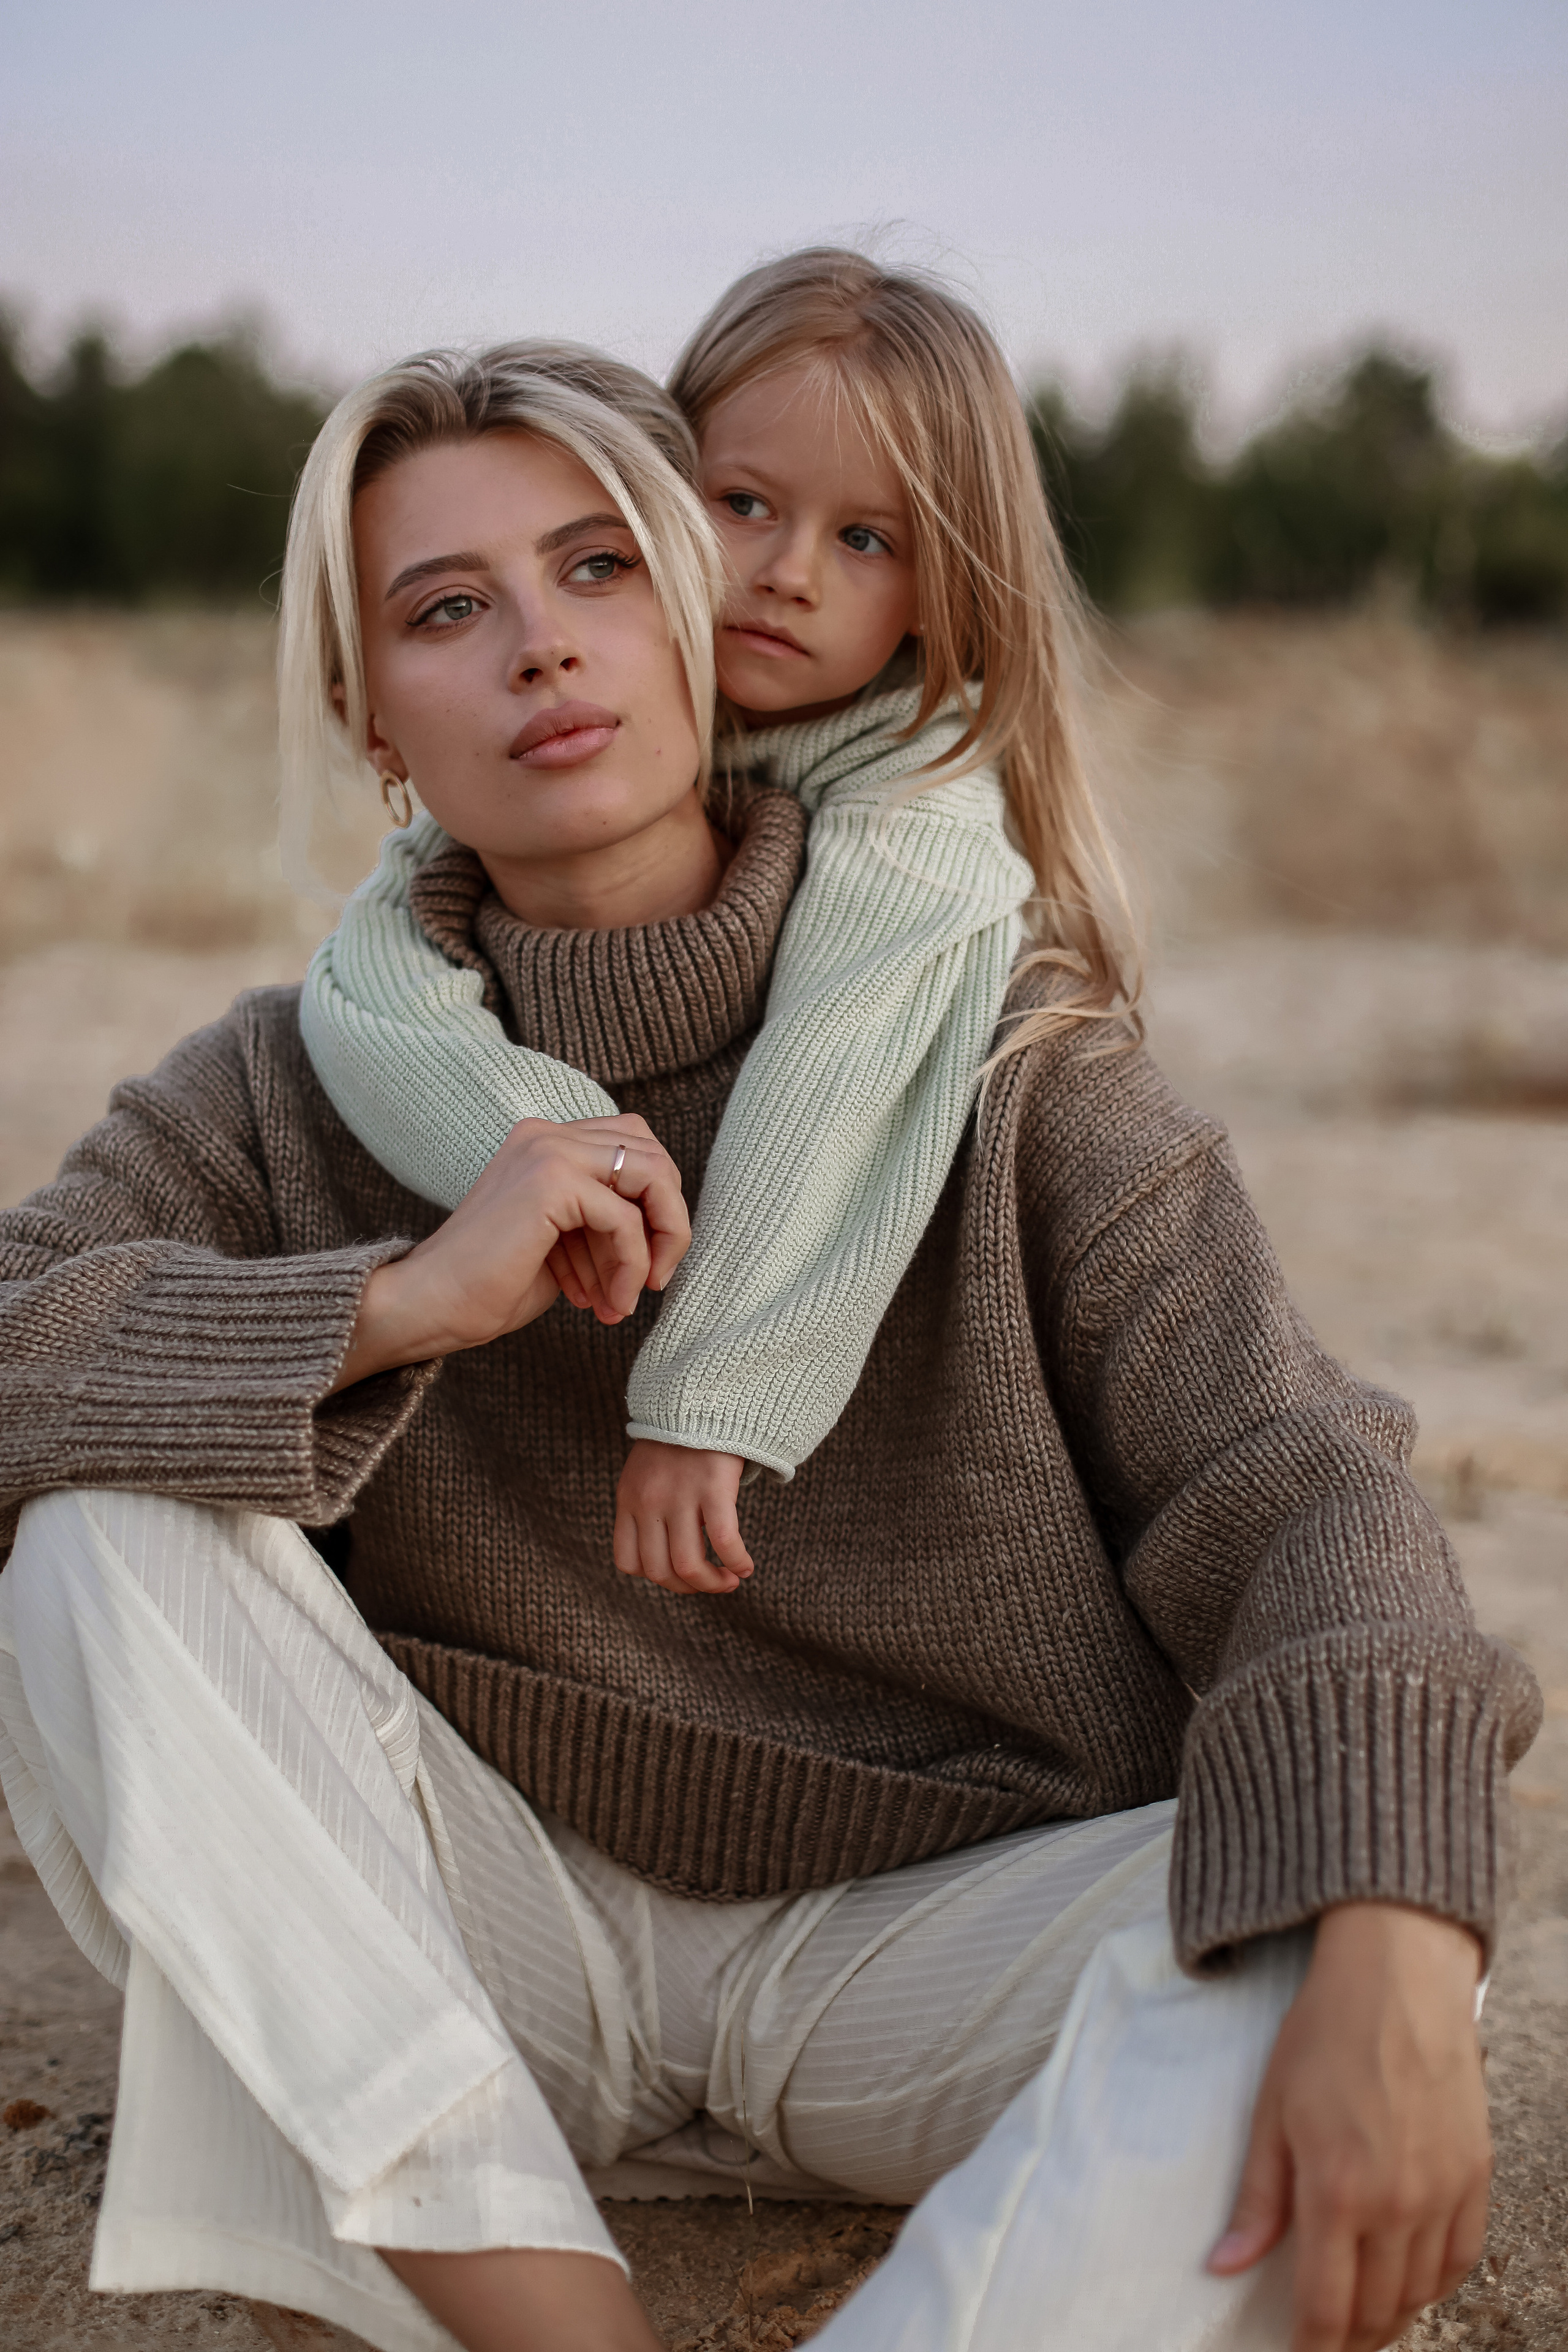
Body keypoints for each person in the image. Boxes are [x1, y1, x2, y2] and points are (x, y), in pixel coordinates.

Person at [0, 330, 1539, 2352]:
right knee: (95, 1544)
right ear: (376, 721)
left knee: (1337, 1919)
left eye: (601, 567)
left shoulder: (1020, 1063)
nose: (542, 648)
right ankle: (561, 2323)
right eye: (448, 610)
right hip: (495, 1951)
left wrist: (1411, 1942)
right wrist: (405, 1301)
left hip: (948, 1939)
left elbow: (1300, 1491)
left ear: (705, 620)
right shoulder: (286, 1084)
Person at [300, 251, 1087, 1596]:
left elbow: (834, 1077)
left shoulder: (915, 797)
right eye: (741, 504)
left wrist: (703, 1397)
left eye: (865, 539)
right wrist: (529, 1162)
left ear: (941, 588)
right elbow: (370, 964)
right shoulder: (559, 747)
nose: (785, 576)